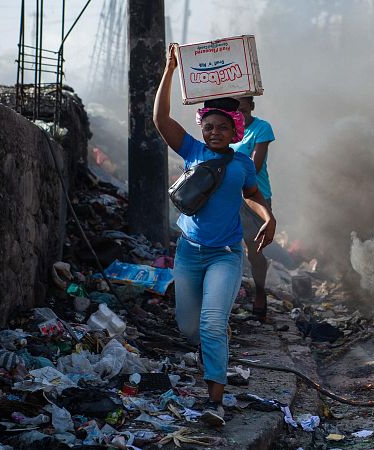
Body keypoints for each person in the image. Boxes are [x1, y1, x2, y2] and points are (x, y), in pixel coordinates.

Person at [153, 43, 276, 426]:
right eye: (209, 127)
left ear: (234, 130)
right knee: (189, 327)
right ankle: (216, 334)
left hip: (225, 255)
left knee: (209, 324)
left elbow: (252, 195)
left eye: (223, 127)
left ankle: (215, 402)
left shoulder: (241, 163)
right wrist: (170, 69)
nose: (216, 132)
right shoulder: (191, 151)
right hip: (189, 253)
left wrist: (268, 217)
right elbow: (160, 118)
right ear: (202, 129)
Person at [231, 96, 276, 321]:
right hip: (227, 195)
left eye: (244, 111)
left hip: (255, 197)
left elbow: (254, 166)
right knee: (224, 248)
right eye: (235, 111)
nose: (240, 116)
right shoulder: (224, 126)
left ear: (252, 108)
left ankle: (259, 291)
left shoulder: (261, 128)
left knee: (254, 250)